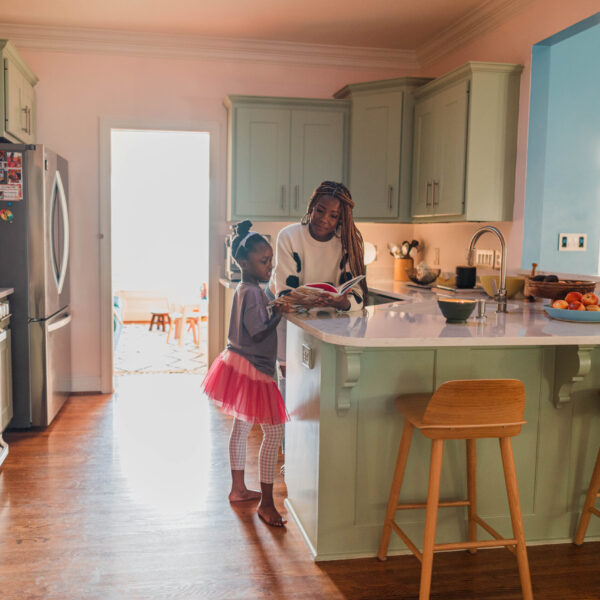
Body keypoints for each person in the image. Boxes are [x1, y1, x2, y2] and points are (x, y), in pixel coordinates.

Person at [202, 220, 290, 527]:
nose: (269, 266)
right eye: (264, 261)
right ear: (243, 262)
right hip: (256, 369)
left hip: (239, 363)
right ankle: (267, 504)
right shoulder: (253, 293)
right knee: (275, 432)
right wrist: (278, 311)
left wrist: (273, 304)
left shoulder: (247, 289)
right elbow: (257, 334)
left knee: (241, 426)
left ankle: (238, 488)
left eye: (270, 261)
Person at [269, 180, 367, 373]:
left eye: (333, 215)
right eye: (320, 210)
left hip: (326, 316)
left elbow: (357, 298)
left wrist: (342, 303)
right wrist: (301, 302)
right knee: (287, 374)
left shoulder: (347, 243)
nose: (324, 219)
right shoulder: (289, 236)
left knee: (315, 375)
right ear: (312, 206)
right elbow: (285, 293)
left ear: (341, 219)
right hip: (287, 315)